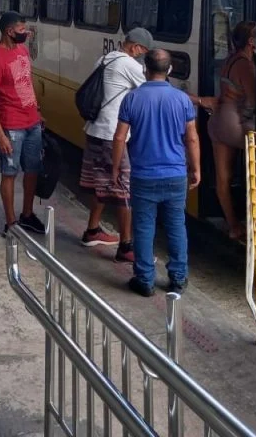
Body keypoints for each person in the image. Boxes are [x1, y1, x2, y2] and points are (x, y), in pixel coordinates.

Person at [112, 49, 200, 297]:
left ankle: (145, 279)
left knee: (143, 227)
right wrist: (196, 168)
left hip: (143, 176)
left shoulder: (132, 99)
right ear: (169, 70)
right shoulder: (182, 99)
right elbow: (191, 138)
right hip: (175, 175)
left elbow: (119, 137)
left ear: (144, 69)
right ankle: (178, 278)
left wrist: (115, 167)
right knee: (175, 226)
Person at [79, 27, 153, 263]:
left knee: (100, 183)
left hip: (95, 130)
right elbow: (152, 88)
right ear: (135, 47)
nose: (144, 56)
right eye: (144, 51)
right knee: (124, 190)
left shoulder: (105, 58)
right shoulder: (129, 64)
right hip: (112, 135)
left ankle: (92, 231)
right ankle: (126, 246)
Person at [191, 20, 256, 241]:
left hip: (217, 118)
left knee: (223, 177)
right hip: (234, 120)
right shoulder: (246, 65)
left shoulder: (229, 60)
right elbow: (253, 100)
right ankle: (255, 223)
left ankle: (233, 226)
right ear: (251, 41)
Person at [0, 12, 45, 236]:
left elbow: (26, 84)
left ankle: (26, 215)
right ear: (10, 31)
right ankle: (11, 223)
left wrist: (36, 111)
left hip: (32, 123)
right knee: (9, 173)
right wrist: (0, 135)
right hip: (12, 125)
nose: (26, 33)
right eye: (22, 29)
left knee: (32, 170)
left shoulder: (22, 51)